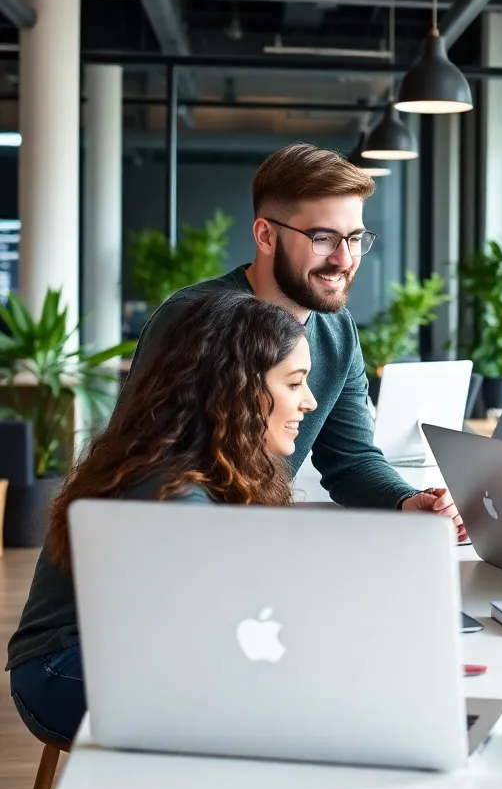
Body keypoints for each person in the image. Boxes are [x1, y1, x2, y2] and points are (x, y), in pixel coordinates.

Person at [7, 292, 317, 744]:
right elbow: (199, 630)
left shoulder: (224, 462)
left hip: (135, 649)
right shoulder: (170, 491)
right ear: (239, 388)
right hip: (65, 665)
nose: (309, 401)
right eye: (294, 383)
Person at [120, 143, 464, 540]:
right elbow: (148, 473)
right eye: (323, 238)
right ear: (266, 235)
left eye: (354, 239)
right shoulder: (194, 320)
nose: (344, 260)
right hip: (155, 561)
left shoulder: (337, 330)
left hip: (228, 552)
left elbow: (350, 460)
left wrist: (406, 501)